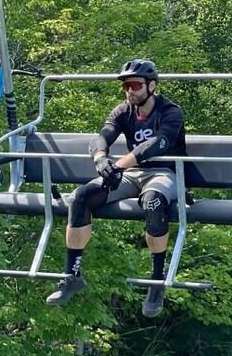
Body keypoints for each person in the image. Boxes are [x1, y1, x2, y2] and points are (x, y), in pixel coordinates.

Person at [45, 59, 187, 317]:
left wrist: (118, 165)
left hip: (165, 173)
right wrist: (101, 160)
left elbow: (156, 145)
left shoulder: (171, 112)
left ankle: (156, 281)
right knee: (81, 196)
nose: (130, 91)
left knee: (153, 201)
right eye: (126, 86)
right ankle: (72, 275)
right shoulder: (123, 111)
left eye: (135, 85)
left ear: (152, 85)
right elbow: (102, 137)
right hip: (131, 173)